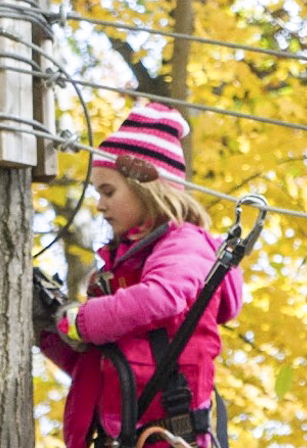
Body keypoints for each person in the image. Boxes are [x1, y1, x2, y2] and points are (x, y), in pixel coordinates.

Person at [35, 102, 243, 448]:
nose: (100, 206)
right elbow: (102, 370)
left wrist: (83, 320)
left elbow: (163, 297)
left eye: (109, 191)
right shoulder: (124, 272)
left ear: (148, 188)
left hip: (169, 435)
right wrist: (49, 331)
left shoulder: (185, 244)